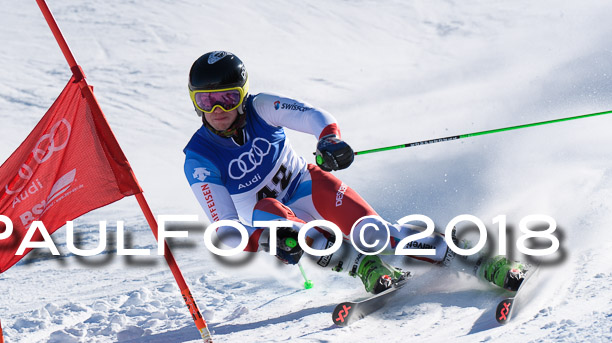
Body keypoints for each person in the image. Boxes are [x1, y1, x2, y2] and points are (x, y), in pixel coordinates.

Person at [183, 51, 525, 294]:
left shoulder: (261, 106)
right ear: (194, 101)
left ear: (243, 96)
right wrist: (266, 241)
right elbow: (227, 230)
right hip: (273, 217)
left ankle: (477, 260)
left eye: (227, 98)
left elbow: (312, 115)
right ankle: (363, 266)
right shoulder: (200, 159)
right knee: (275, 216)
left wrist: (329, 139)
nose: (217, 110)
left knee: (376, 232)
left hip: (307, 185)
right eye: (205, 100)